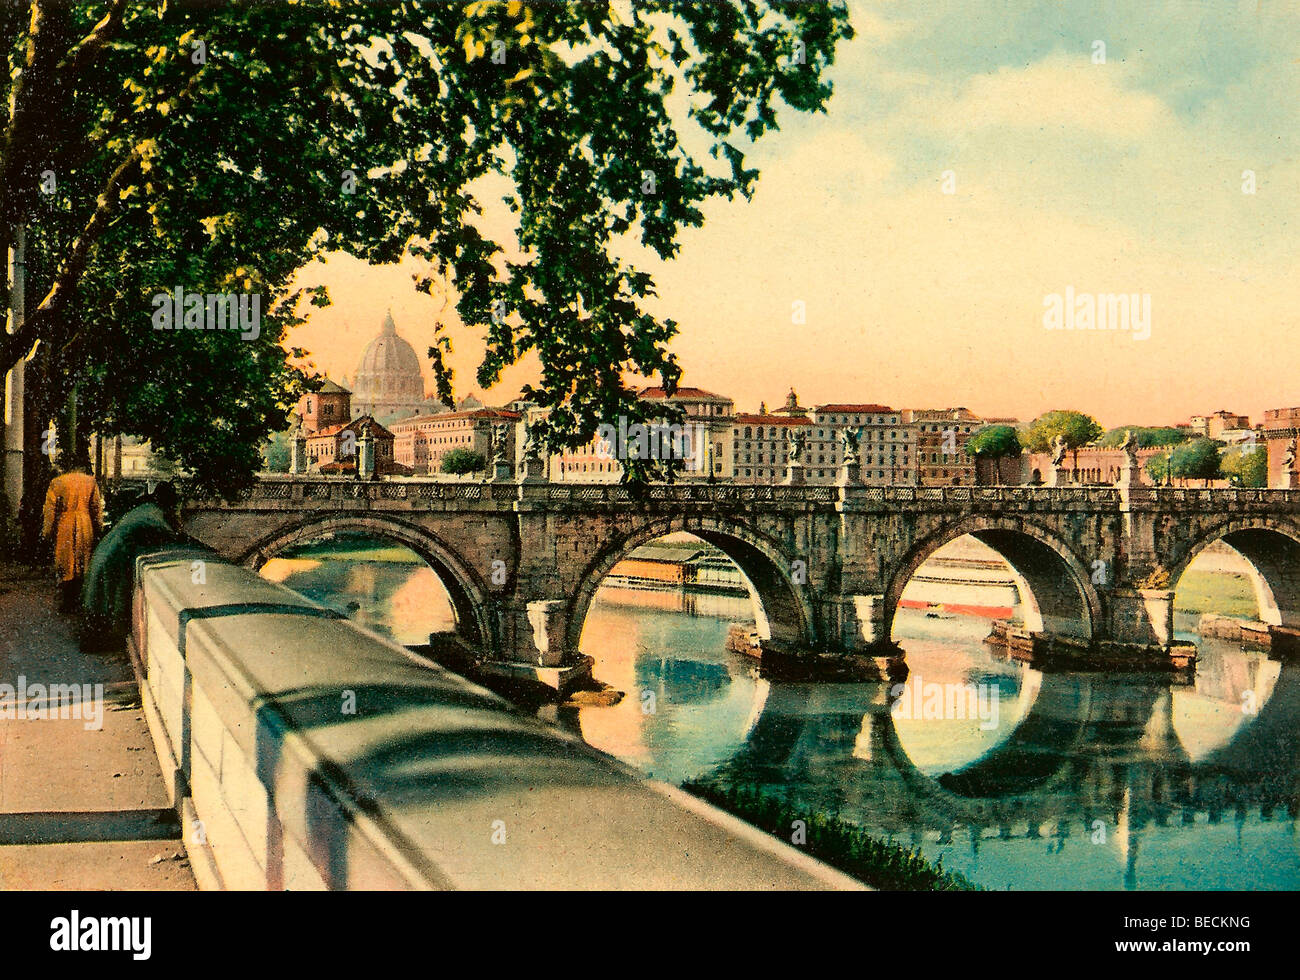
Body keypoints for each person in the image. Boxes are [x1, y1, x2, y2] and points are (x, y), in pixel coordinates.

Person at [81, 481, 191, 650]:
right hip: (113, 555)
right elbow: (167, 533)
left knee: (102, 596)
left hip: (109, 551)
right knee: (107, 597)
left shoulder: (147, 508)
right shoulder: (154, 514)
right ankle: (99, 641)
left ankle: (96, 638)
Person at [41, 450, 103, 613]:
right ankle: (81, 599)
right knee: (83, 559)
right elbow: (96, 508)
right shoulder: (90, 482)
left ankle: (68, 601)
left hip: (65, 524)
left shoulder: (57, 483)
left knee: (66, 561)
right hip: (85, 522)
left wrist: (47, 532)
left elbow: (50, 511)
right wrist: (99, 527)